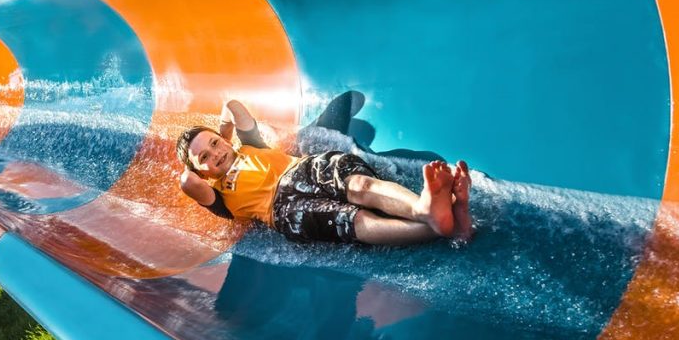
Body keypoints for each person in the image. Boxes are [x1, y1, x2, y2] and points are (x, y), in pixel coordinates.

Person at [176, 100, 472, 245]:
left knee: (362, 186)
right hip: (283, 209)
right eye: (205, 157)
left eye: (215, 143)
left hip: (306, 168)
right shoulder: (219, 197)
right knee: (353, 221)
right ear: (202, 172)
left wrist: (223, 133)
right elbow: (186, 180)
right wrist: (198, 163)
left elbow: (232, 106)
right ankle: (435, 226)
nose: (215, 153)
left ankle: (422, 209)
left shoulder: (250, 145)